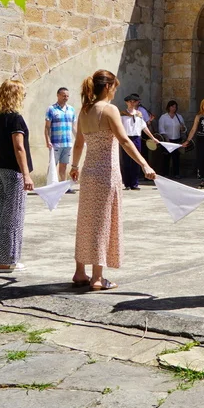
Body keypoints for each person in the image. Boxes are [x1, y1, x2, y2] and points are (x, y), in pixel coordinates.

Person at [71, 70, 155, 290]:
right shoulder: (109, 110)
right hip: (106, 174)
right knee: (103, 222)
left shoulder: (84, 110)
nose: (115, 92)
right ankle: (97, 278)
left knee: (86, 221)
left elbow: (78, 144)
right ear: (108, 87)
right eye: (115, 87)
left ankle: (80, 272)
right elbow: (125, 141)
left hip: (88, 172)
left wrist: (74, 167)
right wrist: (144, 164)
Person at [0, 78, 33, 272]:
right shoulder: (16, 119)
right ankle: (7, 261)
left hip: (1, 170)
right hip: (14, 172)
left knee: (0, 215)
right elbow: (19, 148)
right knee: (13, 216)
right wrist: (26, 175)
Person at [118, 94, 157, 190]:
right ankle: (127, 183)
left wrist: (152, 137)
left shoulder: (139, 114)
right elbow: (118, 128)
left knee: (137, 161)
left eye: (134, 101)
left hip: (136, 138)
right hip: (126, 138)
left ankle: (134, 183)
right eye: (130, 101)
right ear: (126, 102)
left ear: (136, 103)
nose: (132, 103)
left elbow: (144, 127)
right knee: (126, 161)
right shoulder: (122, 114)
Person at [44, 87, 76, 183]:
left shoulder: (71, 109)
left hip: (67, 143)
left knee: (64, 165)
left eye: (67, 96)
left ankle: (63, 185)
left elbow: (74, 127)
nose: (66, 98)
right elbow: (47, 127)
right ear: (58, 95)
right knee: (53, 165)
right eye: (63, 96)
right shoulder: (51, 109)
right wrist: (47, 140)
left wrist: (79, 139)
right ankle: (50, 184)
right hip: (55, 144)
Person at [156, 100, 186, 178]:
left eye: (175, 107)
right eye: (172, 107)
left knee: (176, 157)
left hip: (177, 139)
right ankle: (165, 173)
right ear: (169, 107)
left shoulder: (179, 117)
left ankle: (176, 173)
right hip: (167, 140)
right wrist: (166, 138)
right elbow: (161, 129)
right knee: (166, 157)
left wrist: (183, 128)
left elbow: (184, 129)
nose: (174, 108)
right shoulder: (163, 117)